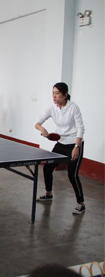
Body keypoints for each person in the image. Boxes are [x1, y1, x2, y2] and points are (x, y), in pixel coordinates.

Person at [35, 82, 85, 215]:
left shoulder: (73, 108)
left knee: (72, 174)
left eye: (57, 93)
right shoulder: (52, 108)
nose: (54, 96)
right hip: (61, 144)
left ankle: (81, 203)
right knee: (47, 167)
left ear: (65, 95)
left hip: (74, 144)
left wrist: (77, 147)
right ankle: (49, 194)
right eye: (53, 93)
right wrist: (43, 130)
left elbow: (81, 128)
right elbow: (37, 122)